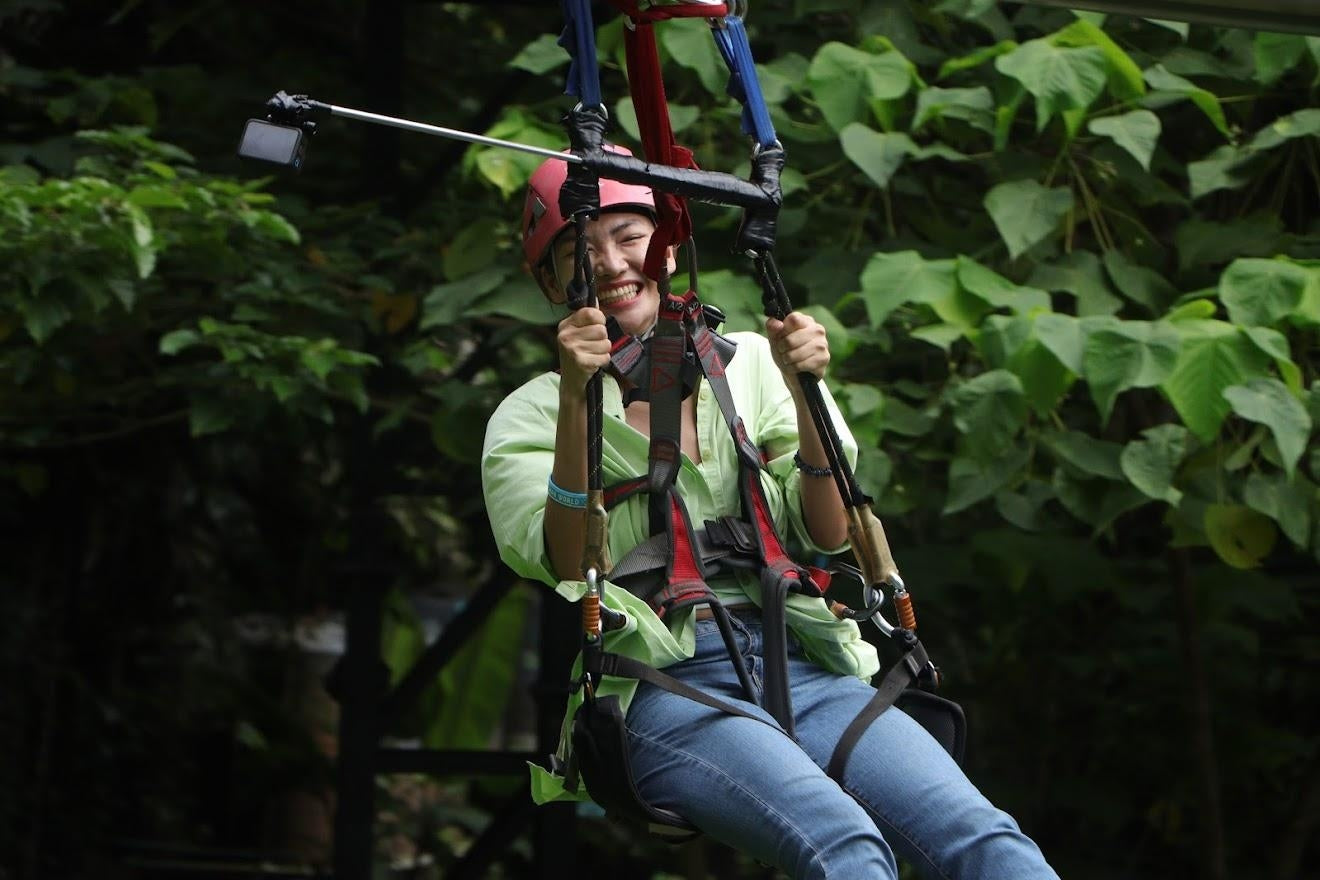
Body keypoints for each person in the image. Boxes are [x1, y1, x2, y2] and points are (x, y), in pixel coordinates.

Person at [481, 148, 1060, 880]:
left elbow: (825, 532)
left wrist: (804, 390)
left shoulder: (750, 361)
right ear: (547, 281)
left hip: (802, 659)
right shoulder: (528, 414)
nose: (608, 262)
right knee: (844, 846)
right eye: (579, 250)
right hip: (663, 683)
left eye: (628, 237)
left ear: (665, 243)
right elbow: (571, 561)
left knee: (985, 837)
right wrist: (575, 398)